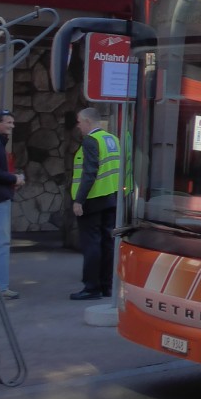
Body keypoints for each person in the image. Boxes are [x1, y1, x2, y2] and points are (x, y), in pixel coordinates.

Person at [70, 108, 121, 300]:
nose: (78, 126)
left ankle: (91, 288)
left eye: (79, 122)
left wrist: (79, 200)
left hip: (93, 200)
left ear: (87, 121)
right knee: (107, 243)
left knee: (91, 244)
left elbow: (89, 172)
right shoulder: (112, 140)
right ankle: (106, 286)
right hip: (111, 198)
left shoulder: (91, 141)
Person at [0, 109, 25, 300]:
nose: (12, 126)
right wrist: (14, 179)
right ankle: (0, 288)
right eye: (8, 122)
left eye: (13, 122)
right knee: (1, 243)